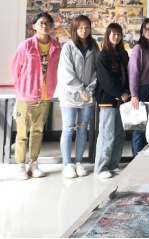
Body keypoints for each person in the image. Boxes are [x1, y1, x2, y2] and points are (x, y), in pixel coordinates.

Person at [10, 12, 61, 180]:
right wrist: (21, 89)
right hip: (26, 96)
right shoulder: (26, 46)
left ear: (52, 26)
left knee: (38, 131)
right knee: (22, 133)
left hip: (46, 96)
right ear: (34, 26)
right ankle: (20, 165)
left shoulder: (57, 47)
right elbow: (15, 69)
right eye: (41, 23)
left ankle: (34, 163)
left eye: (47, 23)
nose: (44, 26)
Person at [56, 15, 98, 179]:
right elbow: (66, 73)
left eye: (87, 27)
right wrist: (81, 89)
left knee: (82, 129)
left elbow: (98, 70)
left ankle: (79, 161)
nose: (84, 30)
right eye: (80, 27)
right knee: (68, 130)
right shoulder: (68, 47)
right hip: (70, 96)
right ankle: (67, 164)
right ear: (74, 29)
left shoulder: (94, 46)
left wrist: (89, 89)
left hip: (87, 96)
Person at [95, 23, 130, 179]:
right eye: (113, 34)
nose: (116, 37)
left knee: (120, 135)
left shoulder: (123, 54)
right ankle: (100, 168)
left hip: (122, 102)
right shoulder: (103, 55)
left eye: (119, 34)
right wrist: (121, 93)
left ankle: (113, 165)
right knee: (107, 136)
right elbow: (106, 80)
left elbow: (128, 74)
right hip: (108, 101)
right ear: (108, 35)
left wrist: (127, 92)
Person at [129, 18, 149, 158]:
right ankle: (136, 160)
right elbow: (133, 72)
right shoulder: (139, 48)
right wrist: (134, 94)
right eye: (148, 29)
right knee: (139, 128)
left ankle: (148, 158)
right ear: (143, 31)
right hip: (141, 90)